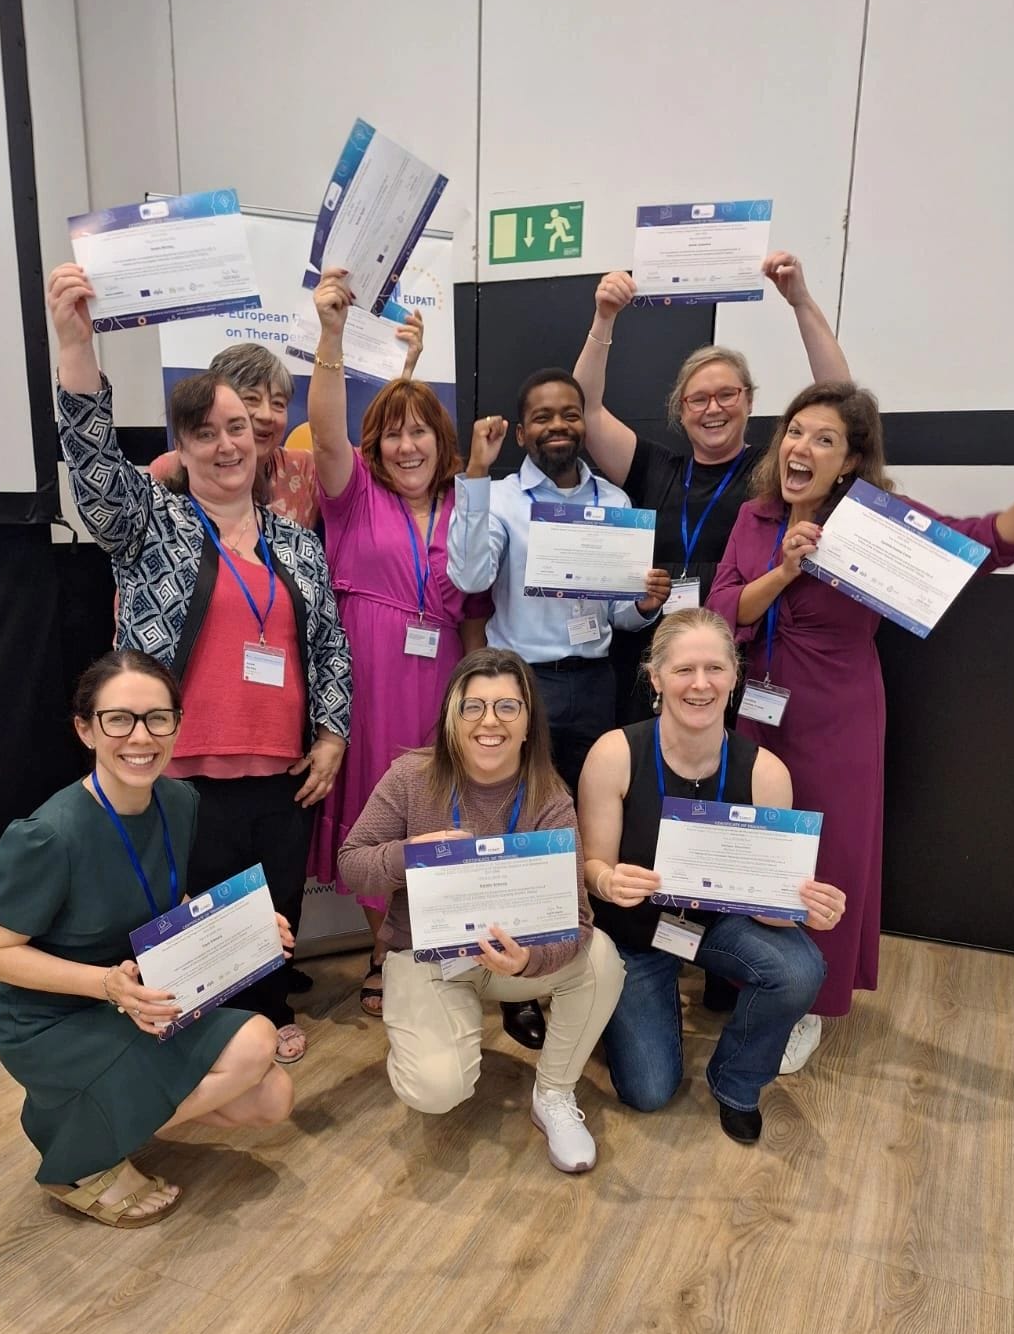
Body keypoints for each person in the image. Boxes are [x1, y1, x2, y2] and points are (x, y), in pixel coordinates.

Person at [707, 383, 1014, 1060]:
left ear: (849, 461)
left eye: (824, 439)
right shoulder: (757, 518)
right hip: (756, 707)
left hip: (837, 715)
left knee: (827, 853)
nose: (802, 447)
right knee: (760, 844)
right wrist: (786, 569)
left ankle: (808, 1004)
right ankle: (757, 975)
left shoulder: (872, 522)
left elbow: (985, 545)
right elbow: (729, 610)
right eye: (795, 431)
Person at [47, 262, 352, 1065]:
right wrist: (75, 344)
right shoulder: (155, 520)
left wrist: (332, 731)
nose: (227, 445)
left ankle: (265, 1006)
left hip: (282, 769)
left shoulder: (294, 541)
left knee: (270, 902)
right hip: (179, 768)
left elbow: (327, 645)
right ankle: (193, 1031)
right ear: (181, 448)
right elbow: (93, 469)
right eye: (205, 433)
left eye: (238, 430)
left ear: (259, 439)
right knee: (189, 911)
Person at [0, 651, 295, 1226]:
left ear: (177, 724)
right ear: (86, 728)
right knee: (256, 1041)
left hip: (143, 995)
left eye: (157, 719)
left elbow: (162, 900)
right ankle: (79, 1161)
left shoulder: (178, 801)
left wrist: (246, 927)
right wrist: (107, 985)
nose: (140, 737)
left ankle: (91, 1119)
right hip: (53, 1017)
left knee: (272, 1098)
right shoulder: (49, 835)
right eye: (119, 719)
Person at [338, 648, 625, 1173]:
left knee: (602, 957)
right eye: (473, 708)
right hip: (428, 958)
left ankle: (554, 1096)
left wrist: (526, 964)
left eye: (507, 708)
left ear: (528, 722)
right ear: (452, 716)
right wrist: (412, 853)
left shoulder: (550, 798)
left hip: (510, 961)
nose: (489, 722)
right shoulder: (410, 776)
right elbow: (351, 864)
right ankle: (427, 1031)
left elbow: (579, 922)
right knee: (436, 1088)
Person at [580, 610, 843, 1142]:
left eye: (715, 668)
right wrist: (607, 882)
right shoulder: (615, 753)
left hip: (717, 926)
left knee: (799, 968)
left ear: (734, 675)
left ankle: (738, 1081)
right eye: (683, 670)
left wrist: (803, 906)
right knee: (649, 1092)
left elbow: (766, 906)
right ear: (655, 678)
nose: (700, 685)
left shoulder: (766, 771)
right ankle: (621, 1010)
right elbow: (592, 867)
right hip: (636, 932)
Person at [306, 265, 491, 1022]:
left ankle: (433, 941)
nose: (407, 444)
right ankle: (383, 949)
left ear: (437, 440)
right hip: (372, 680)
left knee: (442, 806)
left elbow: (473, 610)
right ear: (374, 445)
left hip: (444, 682)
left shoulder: (463, 503)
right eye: (392, 432)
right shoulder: (354, 499)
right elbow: (322, 431)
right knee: (379, 814)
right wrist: (330, 334)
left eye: (420, 430)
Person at [573, 253, 851, 725]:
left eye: (727, 394)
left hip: (737, 662)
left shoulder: (774, 470)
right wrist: (604, 318)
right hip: (655, 664)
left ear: (749, 400)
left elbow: (843, 401)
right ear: (680, 411)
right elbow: (587, 409)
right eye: (698, 399)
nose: (713, 408)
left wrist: (800, 301)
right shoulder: (654, 467)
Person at [449, 372, 672, 798]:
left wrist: (643, 605)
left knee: (594, 800)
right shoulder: (499, 497)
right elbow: (470, 577)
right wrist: (476, 471)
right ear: (520, 433)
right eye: (541, 417)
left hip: (594, 682)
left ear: (584, 426)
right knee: (518, 799)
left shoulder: (614, 502)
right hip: (523, 681)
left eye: (570, 415)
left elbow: (620, 617)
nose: (557, 425)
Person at [146, 318, 425, 531]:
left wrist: (404, 371)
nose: (267, 415)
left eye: (278, 403)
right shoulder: (169, 469)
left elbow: (372, 467)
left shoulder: (303, 470)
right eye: (251, 399)